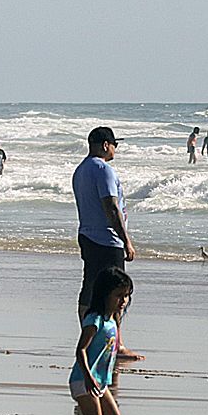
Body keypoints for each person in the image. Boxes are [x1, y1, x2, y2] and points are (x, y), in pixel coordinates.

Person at [73, 126, 142, 361]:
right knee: (117, 293)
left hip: (87, 236)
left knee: (91, 288)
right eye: (114, 144)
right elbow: (111, 207)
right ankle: (116, 345)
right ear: (105, 145)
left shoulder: (81, 170)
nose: (115, 149)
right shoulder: (104, 170)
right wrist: (127, 241)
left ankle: (90, 339)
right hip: (106, 239)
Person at [69, 267, 137, 415]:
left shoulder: (112, 323)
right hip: (83, 380)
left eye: (126, 296)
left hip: (100, 383)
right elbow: (81, 350)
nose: (123, 301)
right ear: (105, 294)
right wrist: (89, 377)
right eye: (118, 295)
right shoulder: (95, 319)